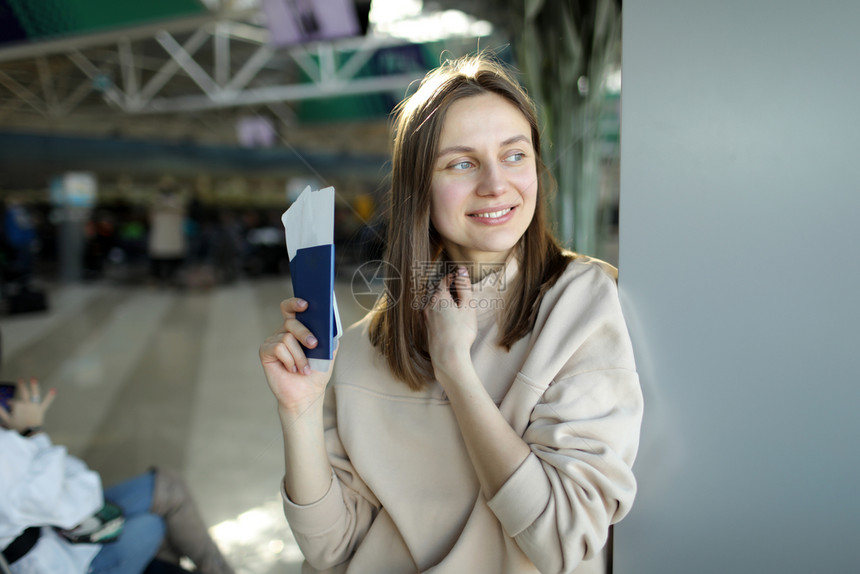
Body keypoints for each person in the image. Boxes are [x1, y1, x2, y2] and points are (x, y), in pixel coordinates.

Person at [259, 53, 644, 574]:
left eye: (515, 155)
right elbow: (335, 549)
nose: (494, 184)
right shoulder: (364, 346)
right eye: (461, 163)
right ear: (420, 185)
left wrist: (456, 371)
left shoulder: (579, 301)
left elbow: (561, 539)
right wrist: (299, 412)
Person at [0, 378, 235, 574]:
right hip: (60, 561)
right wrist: (31, 432)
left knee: (168, 487)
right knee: (153, 525)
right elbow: (76, 500)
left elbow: (73, 483)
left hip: (59, 532)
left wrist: (23, 440)